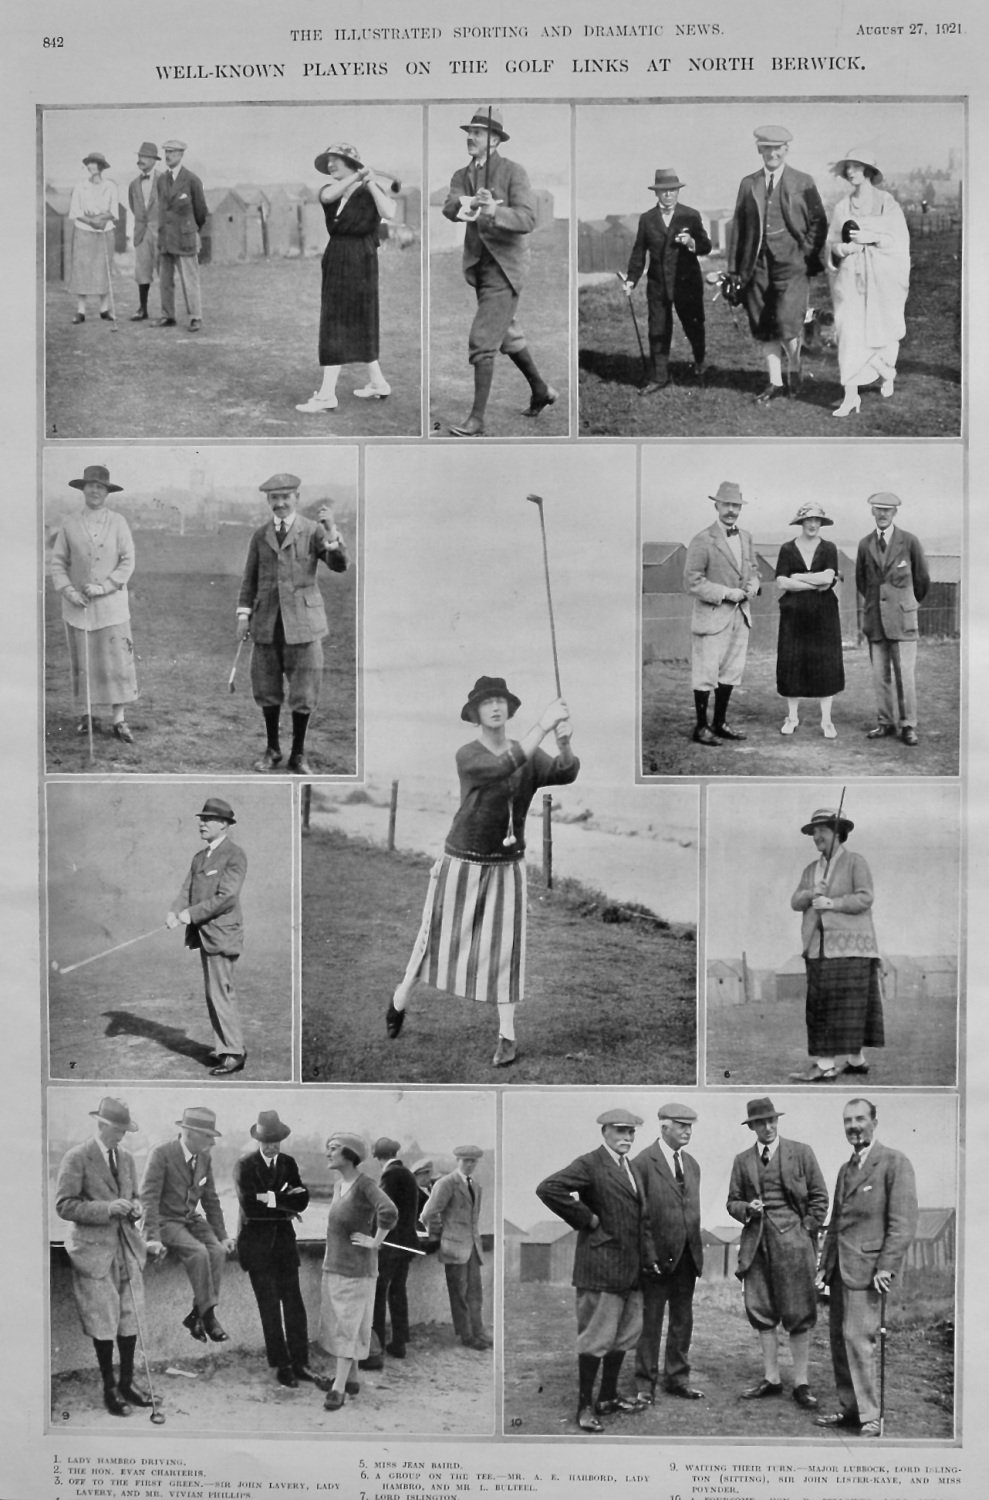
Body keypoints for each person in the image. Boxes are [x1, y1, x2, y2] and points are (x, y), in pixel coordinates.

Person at [386, 674, 577, 1067]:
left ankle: (507, 1036)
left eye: (500, 701)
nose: (495, 706)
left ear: (508, 709)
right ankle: (400, 998)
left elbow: (564, 772)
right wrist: (542, 725)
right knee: (432, 938)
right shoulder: (468, 755)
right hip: (461, 860)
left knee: (506, 948)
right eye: (486, 702)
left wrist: (564, 741)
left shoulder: (527, 752)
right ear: (474, 713)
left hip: (507, 865)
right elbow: (502, 766)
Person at [441, 105, 557, 436]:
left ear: (494, 140)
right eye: (469, 133)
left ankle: (476, 419)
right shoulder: (461, 175)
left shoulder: (513, 172)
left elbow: (528, 219)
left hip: (507, 268)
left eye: (477, 133)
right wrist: (472, 204)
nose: (471, 138)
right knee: (507, 333)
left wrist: (495, 211)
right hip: (480, 266)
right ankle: (541, 390)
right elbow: (450, 207)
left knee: (482, 340)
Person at [535, 1108, 647, 1434]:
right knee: (596, 1338)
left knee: (624, 1336)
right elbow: (549, 1188)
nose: (626, 1137)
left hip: (631, 1268)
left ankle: (608, 1397)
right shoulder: (591, 1163)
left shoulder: (631, 1168)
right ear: (604, 1132)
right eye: (619, 1131)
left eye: (631, 1132)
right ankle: (584, 1406)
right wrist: (587, 1218)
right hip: (600, 1266)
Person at [815, 1099, 918, 1437]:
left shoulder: (893, 1162)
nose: (853, 1126)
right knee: (840, 1341)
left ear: (875, 1121)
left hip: (870, 1271)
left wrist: (887, 1265)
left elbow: (902, 1223)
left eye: (860, 1119)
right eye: (847, 1121)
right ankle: (850, 1409)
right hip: (841, 1271)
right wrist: (823, 1266)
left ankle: (871, 1415)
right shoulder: (846, 1169)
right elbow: (835, 1224)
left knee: (859, 1341)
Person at [236, 472, 349, 776]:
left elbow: (339, 565)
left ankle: (298, 755)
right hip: (267, 623)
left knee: (305, 691)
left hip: (304, 624)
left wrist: (332, 531)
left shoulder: (314, 531)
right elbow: (250, 579)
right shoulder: (260, 536)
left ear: (297, 499)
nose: (281, 503)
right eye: (275, 498)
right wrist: (244, 615)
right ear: (268, 501)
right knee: (266, 688)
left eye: (286, 497)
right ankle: (273, 749)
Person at [726, 1098, 829, 1409]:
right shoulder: (742, 1160)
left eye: (772, 1121)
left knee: (798, 1312)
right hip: (756, 1246)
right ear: (752, 1127)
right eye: (760, 1123)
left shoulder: (801, 1152)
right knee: (762, 1310)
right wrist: (747, 1208)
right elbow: (732, 1202)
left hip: (794, 1246)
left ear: (777, 1121)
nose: (768, 1127)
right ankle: (771, 1378)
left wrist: (805, 1230)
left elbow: (820, 1198)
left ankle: (801, 1383)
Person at [54, 1097, 150, 1417]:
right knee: (103, 1320)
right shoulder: (76, 1157)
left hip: (126, 1248)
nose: (122, 1135)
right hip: (93, 1252)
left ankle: (127, 1383)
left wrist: (135, 1208)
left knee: (128, 1316)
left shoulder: (126, 1158)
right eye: (118, 1129)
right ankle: (109, 1388)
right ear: (102, 1125)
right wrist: (107, 1209)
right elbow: (64, 1206)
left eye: (125, 1130)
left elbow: (135, 1196)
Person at [727, 126, 827, 403]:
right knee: (762, 322)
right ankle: (774, 382)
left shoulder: (803, 181)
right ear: (759, 149)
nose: (772, 153)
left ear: (786, 150)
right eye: (767, 147)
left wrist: (806, 251)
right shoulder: (749, 183)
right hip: (756, 263)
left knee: (786, 320)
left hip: (792, 263)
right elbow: (739, 226)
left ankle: (795, 368)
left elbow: (819, 222)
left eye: (778, 148)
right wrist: (734, 269)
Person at [296, 143, 396, 413]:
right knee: (338, 320)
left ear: (349, 162)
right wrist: (359, 175)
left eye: (335, 160)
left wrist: (372, 182)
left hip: (362, 257)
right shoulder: (330, 190)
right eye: (328, 161)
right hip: (338, 255)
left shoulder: (369, 191)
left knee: (352, 320)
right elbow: (329, 198)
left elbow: (389, 213)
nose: (330, 165)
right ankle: (378, 383)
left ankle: (327, 394)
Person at [789, 806, 884, 1084]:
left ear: (837, 833)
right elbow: (795, 902)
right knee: (823, 1006)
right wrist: (810, 893)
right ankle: (856, 1062)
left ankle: (826, 1066)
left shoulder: (856, 862)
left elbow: (865, 898)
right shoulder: (810, 870)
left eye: (822, 830)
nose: (817, 836)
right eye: (814, 831)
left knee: (848, 1008)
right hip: (818, 947)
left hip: (852, 947)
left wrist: (833, 903)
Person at [49, 463, 138, 744]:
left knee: (116, 663)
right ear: (83, 489)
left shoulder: (118, 522)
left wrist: (105, 586)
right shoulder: (70, 522)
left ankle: (119, 719)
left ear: (107, 492)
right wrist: (68, 591)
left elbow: (128, 560)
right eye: (91, 486)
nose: (95, 491)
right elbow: (59, 562)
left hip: (111, 606)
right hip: (78, 607)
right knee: (84, 662)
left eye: (101, 487)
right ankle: (86, 716)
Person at [234, 1110, 319, 1389]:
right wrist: (284, 1202)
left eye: (275, 1141)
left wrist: (271, 1199)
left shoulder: (288, 1163)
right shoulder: (244, 1165)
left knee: (295, 1306)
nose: (271, 1145)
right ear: (258, 1140)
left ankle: (301, 1363)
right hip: (256, 1249)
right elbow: (250, 1207)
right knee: (269, 1308)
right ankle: (282, 1365)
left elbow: (303, 1200)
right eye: (266, 1141)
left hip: (284, 1246)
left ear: (281, 1140)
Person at [167, 796, 248, 1076]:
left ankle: (234, 1052)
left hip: (222, 936)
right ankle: (225, 1047)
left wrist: (192, 914)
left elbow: (227, 897)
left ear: (224, 825)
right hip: (204, 936)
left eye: (208, 819)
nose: (202, 823)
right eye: (201, 819)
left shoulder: (235, 855)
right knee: (213, 994)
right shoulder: (199, 857)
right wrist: (174, 911)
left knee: (221, 994)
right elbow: (186, 890)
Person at [140, 1105, 236, 1344]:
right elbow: (148, 1198)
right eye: (207, 1136)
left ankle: (196, 1315)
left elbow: (211, 1200)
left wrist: (223, 1236)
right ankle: (209, 1316)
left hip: (191, 1219)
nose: (212, 1142)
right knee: (198, 1251)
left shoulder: (204, 1157)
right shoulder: (161, 1153)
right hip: (165, 1221)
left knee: (216, 1250)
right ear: (189, 1133)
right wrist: (151, 1237)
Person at [826, 149, 910, 417]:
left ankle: (887, 373)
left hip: (883, 278)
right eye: (847, 167)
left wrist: (872, 238)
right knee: (849, 330)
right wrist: (841, 250)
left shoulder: (888, 204)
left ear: (868, 171)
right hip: (851, 279)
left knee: (881, 327)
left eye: (856, 167)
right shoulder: (841, 207)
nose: (850, 172)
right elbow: (830, 244)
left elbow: (898, 241)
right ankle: (850, 397)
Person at [631, 1102, 705, 1406]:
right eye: (681, 1124)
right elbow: (640, 1216)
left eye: (690, 1125)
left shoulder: (693, 1164)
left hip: (687, 1257)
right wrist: (649, 1257)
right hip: (656, 1260)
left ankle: (677, 1378)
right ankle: (644, 1384)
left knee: (682, 1321)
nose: (687, 1130)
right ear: (664, 1127)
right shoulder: (642, 1163)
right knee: (650, 1323)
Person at [319, 1132, 398, 1412]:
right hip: (335, 1266)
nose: (327, 1153)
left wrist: (376, 1241)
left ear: (349, 1155)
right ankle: (351, 1379)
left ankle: (338, 1387)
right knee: (342, 1325)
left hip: (357, 1270)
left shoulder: (365, 1185)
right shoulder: (338, 1185)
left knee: (347, 1326)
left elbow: (389, 1210)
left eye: (333, 1149)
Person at [683, 482, 761, 746]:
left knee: (731, 672)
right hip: (712, 618)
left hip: (740, 616)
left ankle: (720, 722)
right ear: (716, 505)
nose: (731, 510)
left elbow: (754, 570)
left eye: (735, 505)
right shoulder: (703, 540)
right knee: (706, 673)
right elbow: (693, 582)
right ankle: (702, 727)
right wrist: (727, 593)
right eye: (726, 504)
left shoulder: (746, 537)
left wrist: (753, 585)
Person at [624, 167, 712, 392]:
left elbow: (706, 246)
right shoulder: (647, 219)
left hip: (687, 283)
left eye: (672, 190)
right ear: (656, 193)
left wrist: (691, 242)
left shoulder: (690, 215)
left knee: (694, 326)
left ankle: (700, 362)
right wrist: (631, 279)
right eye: (663, 191)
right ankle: (659, 377)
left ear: (678, 192)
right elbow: (638, 252)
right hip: (658, 285)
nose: (668, 195)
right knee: (658, 329)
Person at [855, 492, 930, 747]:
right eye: (878, 509)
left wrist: (907, 605)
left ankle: (908, 725)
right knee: (880, 676)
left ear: (895, 512)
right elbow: (862, 583)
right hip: (875, 621)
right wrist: (878, 607)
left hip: (903, 621)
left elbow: (922, 580)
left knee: (904, 675)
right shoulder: (865, 544)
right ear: (872, 512)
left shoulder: (909, 541)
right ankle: (885, 722)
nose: (883, 514)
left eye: (888, 510)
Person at [775, 502, 845, 739]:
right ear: (801, 523)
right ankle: (792, 717)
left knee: (826, 663)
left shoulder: (829, 548)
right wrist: (812, 583)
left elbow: (828, 579)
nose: (813, 524)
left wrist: (799, 578)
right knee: (792, 662)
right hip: (793, 615)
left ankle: (827, 720)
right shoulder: (787, 549)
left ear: (822, 524)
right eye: (809, 520)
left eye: (818, 520)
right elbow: (782, 582)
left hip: (824, 614)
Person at [422, 1146, 492, 1354]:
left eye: (473, 1161)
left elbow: (473, 1219)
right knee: (459, 1294)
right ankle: (466, 1335)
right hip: (453, 1247)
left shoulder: (475, 1186)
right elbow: (428, 1213)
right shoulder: (446, 1183)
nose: (470, 1164)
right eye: (466, 1161)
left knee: (475, 1294)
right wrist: (440, 1234)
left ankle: (478, 1331)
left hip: (472, 1248)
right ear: (457, 1160)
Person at [366, 1137, 421, 1366]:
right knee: (398, 1293)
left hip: (390, 1245)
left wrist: (372, 1236)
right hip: (407, 1243)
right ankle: (399, 1342)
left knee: (379, 1293)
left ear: (378, 1157)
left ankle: (376, 1345)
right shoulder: (408, 1174)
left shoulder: (390, 1175)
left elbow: (384, 1210)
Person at [155, 139, 207, 331]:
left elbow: (201, 211)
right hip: (166, 238)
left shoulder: (192, 180)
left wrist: (192, 230)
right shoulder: (161, 180)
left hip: (185, 237)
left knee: (189, 279)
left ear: (181, 155)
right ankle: (167, 315)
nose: (168, 156)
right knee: (165, 279)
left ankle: (195, 317)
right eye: (167, 152)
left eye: (173, 152)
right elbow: (162, 209)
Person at [68, 152, 119, 324]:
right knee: (82, 268)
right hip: (83, 231)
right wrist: (91, 221)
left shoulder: (110, 186)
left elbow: (113, 212)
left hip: (104, 232)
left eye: (94, 164)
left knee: (102, 269)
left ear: (101, 166)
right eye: (89, 164)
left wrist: (100, 220)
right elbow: (75, 211)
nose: (91, 167)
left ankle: (104, 309)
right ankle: (80, 311)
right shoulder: (80, 186)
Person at [127, 141, 161, 321]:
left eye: (145, 157)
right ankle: (143, 309)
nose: (141, 160)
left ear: (154, 160)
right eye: (140, 156)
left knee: (165, 271)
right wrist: (143, 224)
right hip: (142, 232)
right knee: (142, 271)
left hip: (161, 232)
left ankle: (167, 311)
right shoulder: (133, 184)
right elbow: (134, 207)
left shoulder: (164, 180)